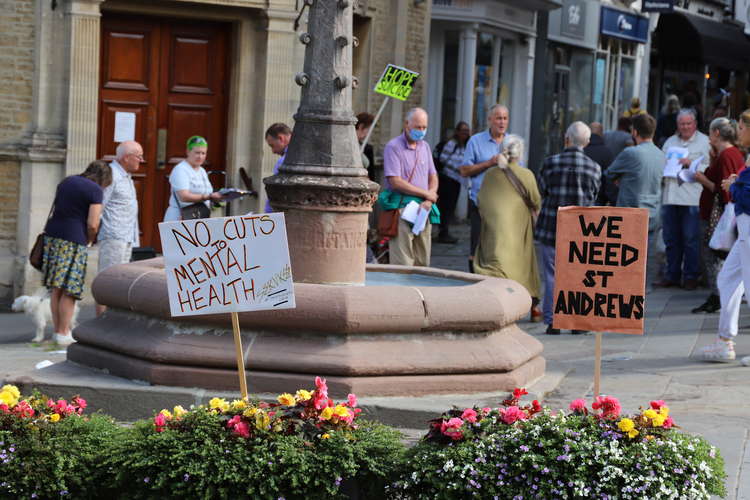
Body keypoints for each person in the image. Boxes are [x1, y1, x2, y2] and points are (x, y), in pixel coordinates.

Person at [694, 110, 750, 364]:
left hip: (748, 222)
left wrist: (734, 186)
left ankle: (725, 340)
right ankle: (725, 340)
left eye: (741, 126)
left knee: (745, 283)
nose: (739, 131)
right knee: (728, 278)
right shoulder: (745, 155)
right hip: (744, 225)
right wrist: (738, 182)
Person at [537, 122, 601, 335]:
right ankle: (578, 321)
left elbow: (543, 190)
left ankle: (553, 320)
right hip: (581, 230)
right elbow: (593, 197)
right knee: (579, 273)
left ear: (566, 139)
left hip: (551, 227)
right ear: (587, 142)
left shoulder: (550, 163)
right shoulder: (594, 167)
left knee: (551, 274)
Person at [473, 135, 542, 322]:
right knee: (522, 263)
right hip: (518, 229)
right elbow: (536, 200)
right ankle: (532, 304)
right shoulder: (526, 175)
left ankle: (494, 300)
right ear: (520, 154)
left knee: (495, 260)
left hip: (494, 230)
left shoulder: (490, 175)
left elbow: (481, 200)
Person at [44, 161, 112, 344]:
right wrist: (90, 239)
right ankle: (64, 332)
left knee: (56, 288)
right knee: (70, 289)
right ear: (104, 179)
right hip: (73, 239)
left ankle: (57, 332)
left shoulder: (67, 181)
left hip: (53, 236)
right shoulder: (95, 190)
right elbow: (93, 223)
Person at [605, 113, 664, 292]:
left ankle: (626, 284)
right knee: (648, 251)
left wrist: (620, 179)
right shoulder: (661, 155)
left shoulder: (631, 153)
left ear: (635, 132)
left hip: (630, 209)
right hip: (653, 209)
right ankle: (644, 285)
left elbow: (609, 173)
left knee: (625, 250)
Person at [691, 118, 745, 314]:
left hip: (718, 216)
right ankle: (718, 295)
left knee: (714, 255)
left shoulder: (727, 155)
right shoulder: (725, 154)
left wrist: (701, 178)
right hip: (718, 213)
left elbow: (723, 191)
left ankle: (719, 296)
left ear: (716, 133)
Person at [656, 109, 710, 290]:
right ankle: (672, 275)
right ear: (677, 125)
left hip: (691, 198)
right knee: (670, 239)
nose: (685, 127)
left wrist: (692, 164)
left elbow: (710, 168)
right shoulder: (670, 141)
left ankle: (690, 276)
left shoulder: (705, 142)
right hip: (670, 196)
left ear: (695, 124)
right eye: (682, 124)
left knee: (690, 239)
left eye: (688, 123)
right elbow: (661, 163)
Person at [380, 107, 440, 266]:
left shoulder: (425, 147)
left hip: (424, 209)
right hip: (403, 209)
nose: (421, 131)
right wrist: (426, 193)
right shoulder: (393, 147)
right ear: (407, 125)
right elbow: (395, 181)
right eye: (418, 127)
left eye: (424, 127)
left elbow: (433, 176)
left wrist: (430, 199)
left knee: (423, 260)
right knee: (402, 261)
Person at [460, 104, 510, 273]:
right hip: (480, 204)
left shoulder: (512, 143)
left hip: (504, 206)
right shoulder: (476, 141)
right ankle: (473, 280)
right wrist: (490, 163)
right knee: (477, 246)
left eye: (505, 118)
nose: (502, 122)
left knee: (500, 247)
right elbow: (464, 170)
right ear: (490, 120)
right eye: (498, 118)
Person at [96, 140, 142, 317]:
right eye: (138, 156)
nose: (141, 160)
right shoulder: (112, 175)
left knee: (120, 280)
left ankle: (113, 319)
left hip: (126, 235)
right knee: (107, 279)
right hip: (113, 235)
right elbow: (100, 204)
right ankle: (101, 322)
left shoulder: (125, 175)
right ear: (126, 158)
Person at [164, 135, 225, 222]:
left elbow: (207, 192)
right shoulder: (180, 169)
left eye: (203, 153)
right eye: (197, 152)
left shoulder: (202, 171)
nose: (200, 157)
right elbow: (184, 196)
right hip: (180, 218)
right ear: (188, 151)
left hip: (198, 217)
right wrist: (208, 197)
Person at [435, 121, 470, 244]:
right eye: (463, 131)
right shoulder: (452, 144)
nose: (465, 134)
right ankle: (442, 232)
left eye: (467, 131)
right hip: (447, 179)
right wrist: (457, 168)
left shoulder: (465, 146)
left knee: (451, 206)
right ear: (457, 132)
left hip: (457, 180)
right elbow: (443, 159)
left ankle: (445, 231)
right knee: (445, 206)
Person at [584, 122, 614, 205]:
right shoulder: (607, 153)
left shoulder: (582, 150)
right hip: (599, 201)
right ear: (601, 134)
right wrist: (611, 200)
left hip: (580, 200)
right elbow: (610, 179)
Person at [264, 123, 292, 212]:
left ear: (281, 138)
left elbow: (275, 193)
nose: (273, 151)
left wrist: (268, 215)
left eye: (272, 145)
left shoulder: (283, 162)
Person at [355, 112, 376, 182]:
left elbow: (371, 174)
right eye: (368, 130)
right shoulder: (347, 144)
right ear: (361, 126)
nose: (368, 134)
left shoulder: (367, 148)